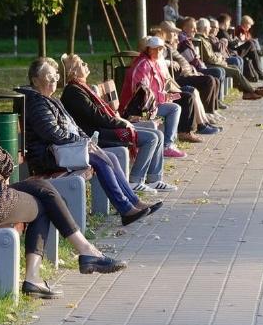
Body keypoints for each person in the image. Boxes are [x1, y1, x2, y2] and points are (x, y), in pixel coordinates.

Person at [0, 70, 126, 299]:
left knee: (42, 188)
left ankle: (84, 251)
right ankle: (43, 273)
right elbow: (6, 162)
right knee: (42, 203)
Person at [16, 58, 162, 226]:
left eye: (55, 75)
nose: (54, 79)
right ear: (35, 80)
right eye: (49, 75)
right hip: (48, 156)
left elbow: (73, 126)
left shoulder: (50, 99)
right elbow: (52, 133)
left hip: (62, 150)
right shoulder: (37, 102)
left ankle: (133, 202)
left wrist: (85, 140)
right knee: (100, 160)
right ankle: (125, 209)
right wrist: (82, 142)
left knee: (110, 157)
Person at [60, 54, 179, 194]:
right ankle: (135, 181)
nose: (86, 65)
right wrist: (122, 124)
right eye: (82, 64)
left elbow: (101, 115)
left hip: (102, 128)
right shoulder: (74, 92)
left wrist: (121, 121)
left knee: (158, 134)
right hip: (96, 135)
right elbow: (98, 117)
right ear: (73, 72)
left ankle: (154, 179)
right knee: (151, 138)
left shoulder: (81, 88)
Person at [119, 37, 196, 154]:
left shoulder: (152, 62)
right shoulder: (143, 65)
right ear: (149, 50)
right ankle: (167, 146)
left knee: (176, 104)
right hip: (136, 112)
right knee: (174, 109)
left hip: (147, 107)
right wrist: (163, 98)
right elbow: (142, 94)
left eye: (161, 48)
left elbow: (157, 87)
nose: (160, 51)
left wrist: (166, 96)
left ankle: (169, 143)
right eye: (157, 49)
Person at [157, 21, 223, 123]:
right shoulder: (163, 47)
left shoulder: (170, 45)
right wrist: (169, 62)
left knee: (213, 79)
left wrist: (193, 70)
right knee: (208, 80)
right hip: (179, 79)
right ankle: (205, 112)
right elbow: (158, 61)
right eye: (173, 33)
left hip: (188, 73)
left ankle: (211, 111)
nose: (176, 35)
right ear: (164, 32)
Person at [194, 18, 263, 100]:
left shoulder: (205, 38)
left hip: (216, 62)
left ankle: (248, 92)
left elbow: (213, 55)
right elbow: (210, 58)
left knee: (235, 67)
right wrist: (221, 61)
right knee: (234, 70)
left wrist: (221, 59)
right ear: (205, 28)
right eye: (209, 27)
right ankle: (251, 91)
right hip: (210, 65)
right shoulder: (201, 39)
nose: (210, 29)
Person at [234, 15, 263, 82]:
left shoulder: (245, 31)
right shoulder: (240, 30)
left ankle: (260, 73)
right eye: (249, 25)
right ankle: (259, 53)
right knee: (252, 44)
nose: (250, 27)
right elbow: (242, 42)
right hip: (241, 52)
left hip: (246, 51)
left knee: (253, 48)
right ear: (245, 23)